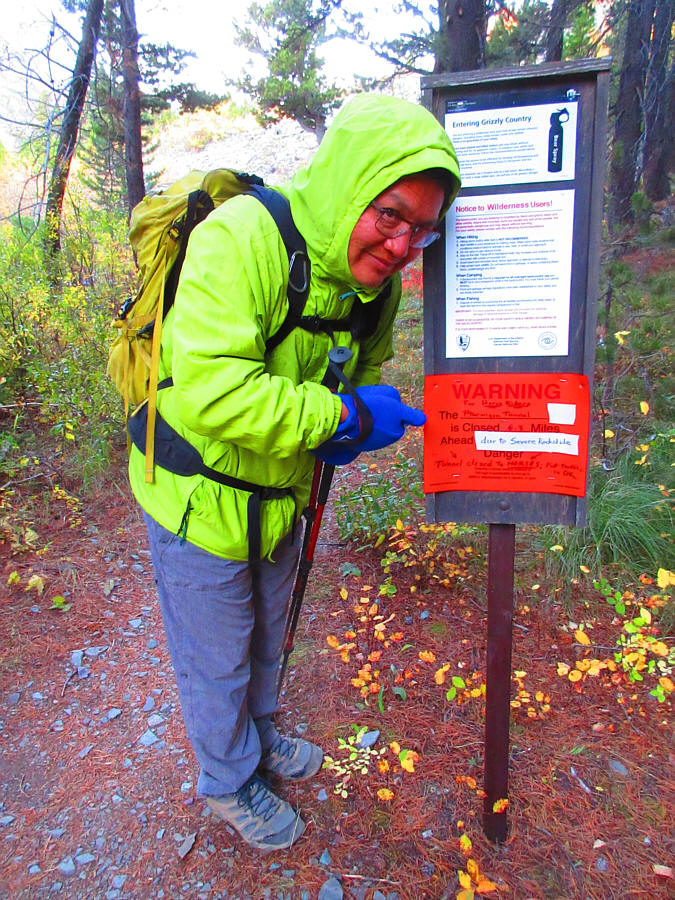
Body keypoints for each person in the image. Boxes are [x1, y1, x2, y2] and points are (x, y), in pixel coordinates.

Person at [129, 92, 460, 851]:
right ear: (349, 184)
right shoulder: (241, 239)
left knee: (271, 631)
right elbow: (214, 391)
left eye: (421, 228)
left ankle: (260, 735)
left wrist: (348, 424)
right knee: (215, 655)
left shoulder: (371, 291)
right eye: (389, 214)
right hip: (196, 498)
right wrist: (341, 419)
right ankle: (228, 779)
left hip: (280, 492)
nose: (402, 243)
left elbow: (358, 374)